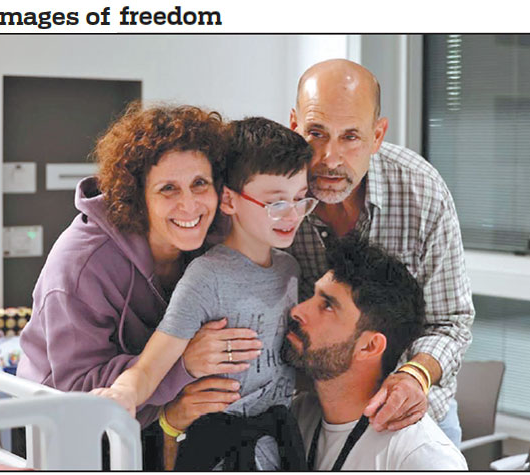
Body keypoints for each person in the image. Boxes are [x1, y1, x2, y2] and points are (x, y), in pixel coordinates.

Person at [16, 104, 262, 468]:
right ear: (138, 197)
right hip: (66, 431)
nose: (189, 204)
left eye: (200, 184)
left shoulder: (218, 240)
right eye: (168, 189)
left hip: (159, 418)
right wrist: (185, 362)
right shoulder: (81, 264)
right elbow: (78, 391)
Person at [92, 117, 316, 471]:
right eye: (275, 204)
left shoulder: (290, 269)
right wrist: (123, 394)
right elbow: (150, 368)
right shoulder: (206, 277)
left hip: (278, 447)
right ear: (228, 200)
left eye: (301, 200)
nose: (292, 216)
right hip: (219, 454)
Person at [289, 58, 474, 445]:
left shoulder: (420, 191)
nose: (330, 158)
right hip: (310, 414)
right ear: (294, 126)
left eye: (351, 137)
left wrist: (414, 376)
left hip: (413, 415)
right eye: (316, 133)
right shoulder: (271, 192)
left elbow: (451, 322)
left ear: (377, 135)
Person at [283, 233, 467, 470]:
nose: (298, 311)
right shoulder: (298, 416)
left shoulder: (421, 456)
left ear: (369, 346)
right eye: (312, 297)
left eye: (327, 306)